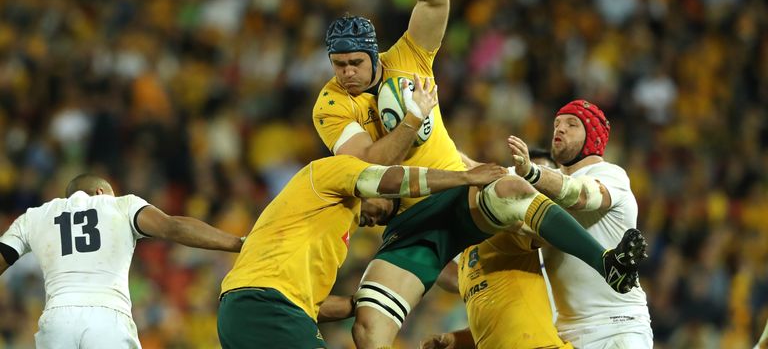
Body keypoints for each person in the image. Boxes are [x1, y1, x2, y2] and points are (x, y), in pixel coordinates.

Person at [314, 0, 647, 348]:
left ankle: (608, 264)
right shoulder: (330, 105)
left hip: (457, 194)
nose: (347, 73)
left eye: (355, 63)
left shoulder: (407, 59)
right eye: (339, 65)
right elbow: (372, 165)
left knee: (509, 190)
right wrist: (413, 119)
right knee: (369, 326)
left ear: (375, 56)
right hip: (410, 220)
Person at [216, 154, 508, 348]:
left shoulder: (328, 231)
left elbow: (311, 306)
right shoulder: (336, 171)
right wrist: (466, 178)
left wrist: (367, 301)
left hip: (243, 311)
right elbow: (397, 178)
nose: (375, 222)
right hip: (265, 304)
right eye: (386, 211)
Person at [0, 174, 244, 349]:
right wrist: (239, 243)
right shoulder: (119, 204)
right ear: (100, 192)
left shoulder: (34, 216)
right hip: (107, 317)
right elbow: (173, 227)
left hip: (56, 321)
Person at [508, 99, 653, 348]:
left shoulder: (610, 174)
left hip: (617, 326)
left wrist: (532, 173)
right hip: (565, 334)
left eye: (572, 124)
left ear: (593, 137)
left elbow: (582, 196)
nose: (560, 128)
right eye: (556, 124)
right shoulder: (543, 188)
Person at [420, 149, 573, 349]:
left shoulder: (568, 256)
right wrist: (455, 340)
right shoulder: (483, 248)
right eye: (524, 181)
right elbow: (501, 329)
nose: (532, 191)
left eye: (540, 181)